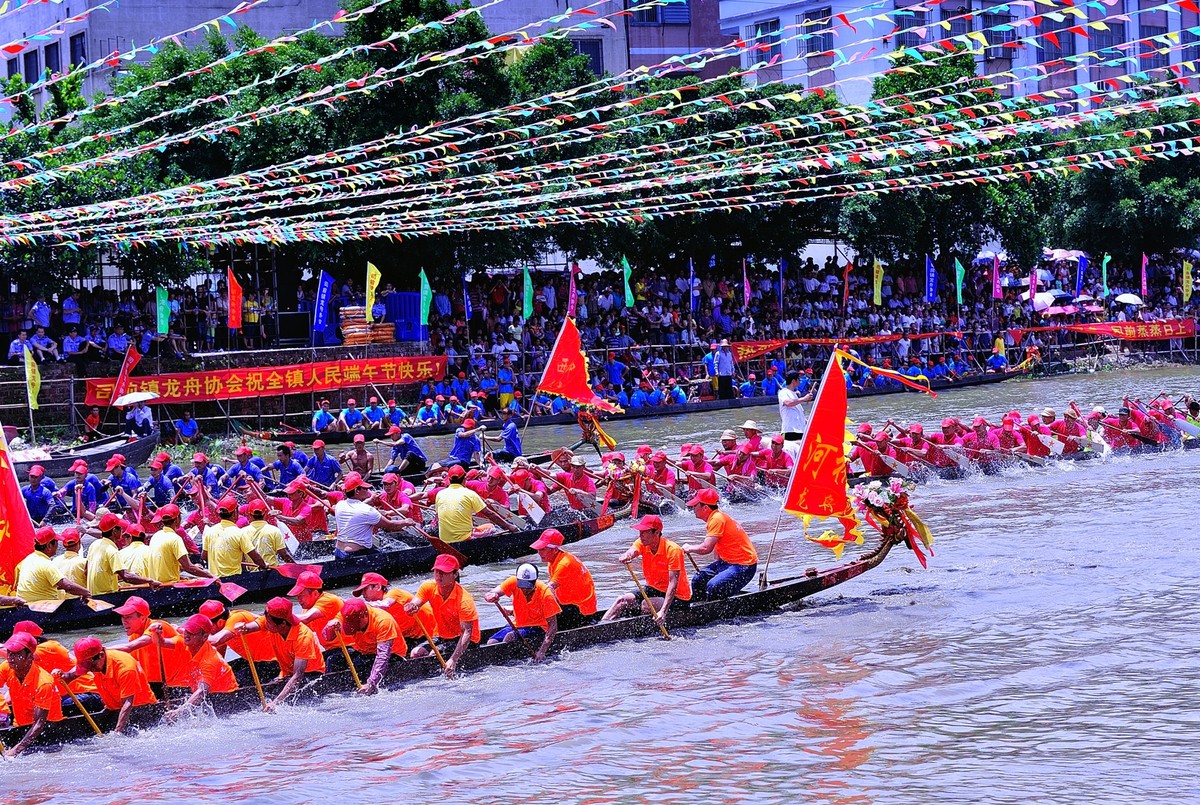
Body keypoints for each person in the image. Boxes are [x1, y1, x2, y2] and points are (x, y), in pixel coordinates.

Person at [226, 597, 325, 712]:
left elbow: (297, 676)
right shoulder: (271, 621)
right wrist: (243, 627)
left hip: (311, 675)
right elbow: (249, 627)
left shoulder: (303, 637)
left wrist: (276, 703)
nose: (266, 625)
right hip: (286, 674)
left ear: (283, 624)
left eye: (268, 622)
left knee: (283, 701)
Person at [601, 514, 690, 625]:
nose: (640, 535)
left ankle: (637, 620)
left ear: (656, 533)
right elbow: (632, 551)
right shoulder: (643, 543)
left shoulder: (673, 550)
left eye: (644, 532)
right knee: (622, 600)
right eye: (640, 532)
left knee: (646, 605)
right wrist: (626, 556)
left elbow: (673, 584)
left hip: (678, 597)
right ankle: (601, 626)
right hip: (654, 589)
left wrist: (663, 612)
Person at [57, 637, 157, 734]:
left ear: (101, 655)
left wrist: (118, 733)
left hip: (141, 710)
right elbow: (70, 676)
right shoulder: (94, 661)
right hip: (114, 709)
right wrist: (62, 675)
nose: (90, 670)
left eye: (91, 667)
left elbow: (127, 703)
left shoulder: (125, 668)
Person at [406, 554, 480, 678]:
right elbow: (416, 602)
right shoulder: (428, 587)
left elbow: (467, 632)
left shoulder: (464, 600)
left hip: (466, 639)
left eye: (444, 572)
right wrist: (411, 606)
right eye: (436, 572)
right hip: (442, 636)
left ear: (455, 574)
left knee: (431, 656)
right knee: (415, 653)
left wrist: (453, 660)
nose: (439, 576)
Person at [682, 488, 758, 599]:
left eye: (695, 505)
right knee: (698, 579)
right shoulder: (715, 517)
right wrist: (717, 570)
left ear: (705, 508)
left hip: (744, 566)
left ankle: (713, 609)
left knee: (713, 587)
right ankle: (699, 606)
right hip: (727, 563)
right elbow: (717, 548)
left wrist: (689, 548)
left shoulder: (717, 519)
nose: (692, 508)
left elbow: (706, 548)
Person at [160, 614, 237, 719]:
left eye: (191, 633)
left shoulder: (210, 660)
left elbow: (201, 692)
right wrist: (158, 633)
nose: (186, 635)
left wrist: (179, 711)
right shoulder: (184, 640)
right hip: (205, 693)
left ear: (205, 637)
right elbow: (161, 642)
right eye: (186, 630)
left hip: (224, 698)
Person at [108, 596, 189, 692]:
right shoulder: (133, 636)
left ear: (142, 618)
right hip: (156, 684)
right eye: (123, 617)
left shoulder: (157, 627)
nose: (124, 621)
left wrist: (100, 650)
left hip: (180, 683)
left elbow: (129, 647)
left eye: (128, 617)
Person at [322, 598, 402, 695]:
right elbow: (327, 637)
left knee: (363, 666)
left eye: (354, 624)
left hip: (393, 656)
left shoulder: (383, 621)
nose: (352, 628)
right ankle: (329, 691)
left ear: (365, 615)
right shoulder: (346, 613)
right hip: (364, 653)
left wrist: (371, 684)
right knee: (333, 660)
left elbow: (383, 656)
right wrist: (329, 627)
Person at [0, 631, 62, 756]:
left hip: (48, 732)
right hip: (20, 727)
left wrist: (15, 750)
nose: (11, 658)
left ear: (30, 656)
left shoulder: (43, 682)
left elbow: (39, 724)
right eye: (9, 653)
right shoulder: (7, 667)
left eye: (17, 654)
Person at [484, 563, 560, 662]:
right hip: (518, 625)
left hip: (538, 627)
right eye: (522, 586)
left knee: (509, 637)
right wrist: (491, 596)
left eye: (528, 587)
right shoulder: (512, 581)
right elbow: (490, 593)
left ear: (534, 582)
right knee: (491, 642)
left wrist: (542, 651)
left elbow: (553, 627)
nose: (525, 590)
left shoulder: (546, 594)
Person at [529, 528, 598, 629]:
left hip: (582, 612)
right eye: (539, 549)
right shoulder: (553, 560)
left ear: (555, 549)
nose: (539, 552)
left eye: (543, 549)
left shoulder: (564, 564)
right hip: (572, 606)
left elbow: (548, 589)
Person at [334, 472, 412, 559]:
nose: (368, 490)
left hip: (338, 552)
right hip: (356, 555)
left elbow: (357, 509)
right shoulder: (367, 510)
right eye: (365, 489)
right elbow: (390, 525)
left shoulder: (340, 505)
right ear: (357, 491)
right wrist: (405, 522)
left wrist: (372, 501)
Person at [352, 572, 436, 650]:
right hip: (412, 638)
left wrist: (357, 605)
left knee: (416, 653)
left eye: (365, 589)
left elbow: (385, 604)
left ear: (378, 586)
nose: (362, 594)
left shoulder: (394, 593)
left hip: (433, 634)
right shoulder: (375, 611)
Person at [86, 513, 160, 594]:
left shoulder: (94, 545)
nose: (122, 530)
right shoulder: (112, 551)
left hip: (94, 595)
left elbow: (86, 571)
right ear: (114, 531)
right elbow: (126, 577)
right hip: (107, 597)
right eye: (120, 528)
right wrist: (150, 580)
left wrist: (113, 580)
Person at [434, 464, 508, 543]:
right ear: (464, 479)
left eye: (493, 478)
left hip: (444, 539)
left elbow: (507, 509)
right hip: (472, 529)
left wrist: (496, 503)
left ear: (499, 480)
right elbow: (490, 514)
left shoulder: (439, 494)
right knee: (492, 528)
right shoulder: (473, 488)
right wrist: (510, 527)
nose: (490, 480)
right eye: (489, 477)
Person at [16, 527, 92, 603]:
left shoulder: (27, 559)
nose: (57, 546)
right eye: (56, 542)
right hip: (42, 608)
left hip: (25, 607)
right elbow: (68, 586)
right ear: (49, 546)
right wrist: (87, 593)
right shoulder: (47, 564)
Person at [147, 504, 214, 584]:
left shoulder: (156, 536)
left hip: (156, 585)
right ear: (177, 520)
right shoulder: (175, 538)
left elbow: (165, 563)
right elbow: (188, 567)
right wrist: (212, 577)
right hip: (169, 586)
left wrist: (181, 576)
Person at [202, 497, 268, 577]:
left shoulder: (210, 531)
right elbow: (255, 558)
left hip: (215, 580)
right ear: (235, 513)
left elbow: (204, 557)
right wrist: (264, 565)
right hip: (233, 579)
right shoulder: (239, 533)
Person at [287, 570, 344, 648]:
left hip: (348, 648)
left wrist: (281, 615)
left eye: (301, 595)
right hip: (331, 650)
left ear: (315, 593)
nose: (299, 599)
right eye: (297, 596)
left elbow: (306, 618)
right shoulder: (307, 609)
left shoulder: (328, 600)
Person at [242, 499, 294, 567]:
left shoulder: (242, 532)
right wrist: (297, 567)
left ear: (249, 514)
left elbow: (241, 559)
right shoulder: (274, 530)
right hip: (272, 572)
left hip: (252, 574)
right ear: (266, 513)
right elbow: (285, 556)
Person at [778, 370, 814, 442]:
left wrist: (809, 422)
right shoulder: (783, 392)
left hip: (800, 431)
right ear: (794, 381)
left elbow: (798, 414)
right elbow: (787, 402)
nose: (800, 381)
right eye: (799, 379)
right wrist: (803, 399)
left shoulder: (794, 394)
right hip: (789, 431)